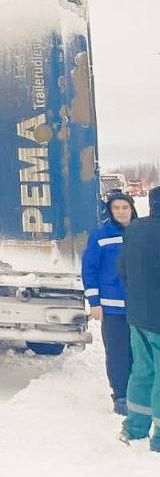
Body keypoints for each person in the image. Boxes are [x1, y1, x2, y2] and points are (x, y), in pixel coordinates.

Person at [82, 192, 136, 414]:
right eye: (117, 208)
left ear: (132, 208)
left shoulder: (141, 233)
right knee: (117, 353)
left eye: (125, 207)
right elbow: (89, 270)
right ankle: (121, 396)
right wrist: (94, 302)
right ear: (110, 211)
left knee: (140, 353)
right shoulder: (100, 236)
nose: (121, 212)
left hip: (139, 306)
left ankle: (140, 395)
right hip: (113, 307)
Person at [118, 195, 160, 449]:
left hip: (137, 316)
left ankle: (135, 428)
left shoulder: (134, 230)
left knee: (142, 371)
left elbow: (122, 269)